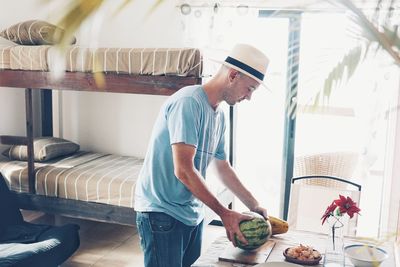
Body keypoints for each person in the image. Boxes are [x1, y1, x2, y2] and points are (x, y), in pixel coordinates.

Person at [134, 43, 270, 267]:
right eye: (250, 88)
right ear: (233, 75)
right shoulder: (188, 103)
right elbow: (184, 170)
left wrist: (253, 204)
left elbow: (222, 167)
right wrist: (224, 213)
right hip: (161, 212)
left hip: (191, 212)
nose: (249, 97)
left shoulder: (219, 116)